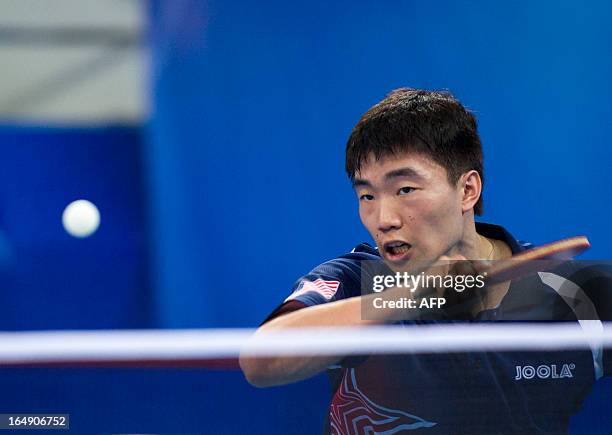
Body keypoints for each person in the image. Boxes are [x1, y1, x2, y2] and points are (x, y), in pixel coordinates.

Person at [239, 88, 610, 434]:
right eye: (366, 195)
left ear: (467, 190)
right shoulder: (358, 280)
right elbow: (260, 363)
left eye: (405, 190)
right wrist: (413, 295)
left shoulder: (575, 294)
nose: (384, 218)